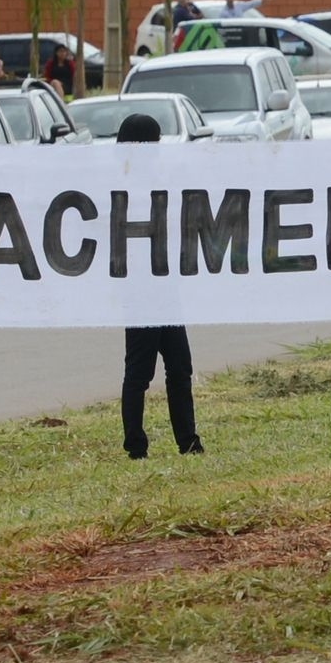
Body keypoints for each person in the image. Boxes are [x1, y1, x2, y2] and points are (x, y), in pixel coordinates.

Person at [116, 112, 205, 457]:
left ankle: (188, 439)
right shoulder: (122, 184)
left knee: (180, 366)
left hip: (165, 286)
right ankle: (135, 445)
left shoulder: (158, 179)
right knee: (139, 371)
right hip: (139, 290)